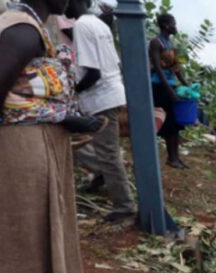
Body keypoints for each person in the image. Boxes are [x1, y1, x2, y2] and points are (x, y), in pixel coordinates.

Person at [0, 0, 104, 273]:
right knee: (31, 229)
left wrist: (64, 118)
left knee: (49, 220)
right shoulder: (23, 31)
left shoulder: (36, 27)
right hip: (21, 144)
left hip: (38, 139)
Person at [68, 0, 137, 222]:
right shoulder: (99, 24)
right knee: (73, 138)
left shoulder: (81, 26)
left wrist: (72, 91)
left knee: (108, 153)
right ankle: (100, 173)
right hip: (110, 93)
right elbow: (113, 64)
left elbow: (93, 73)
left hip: (101, 98)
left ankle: (125, 205)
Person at [149, 13, 189, 169]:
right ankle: (172, 158)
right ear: (166, 25)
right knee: (169, 122)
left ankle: (176, 157)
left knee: (175, 122)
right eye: (173, 23)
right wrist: (170, 91)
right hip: (160, 86)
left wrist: (186, 85)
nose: (175, 26)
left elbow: (175, 68)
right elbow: (158, 69)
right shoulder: (156, 43)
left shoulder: (169, 44)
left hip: (169, 86)